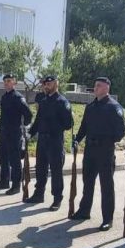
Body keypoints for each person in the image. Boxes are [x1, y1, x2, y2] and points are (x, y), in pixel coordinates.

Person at [70, 77, 125, 231]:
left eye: (98, 86)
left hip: (105, 151)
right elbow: (84, 128)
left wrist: (106, 141)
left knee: (106, 186)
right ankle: (84, 211)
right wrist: (77, 140)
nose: (95, 88)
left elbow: (120, 132)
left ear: (107, 88)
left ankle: (107, 219)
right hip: (90, 150)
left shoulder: (114, 107)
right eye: (95, 86)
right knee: (88, 183)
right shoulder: (91, 107)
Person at [25, 75, 74, 211]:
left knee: (56, 171)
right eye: (45, 84)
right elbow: (38, 120)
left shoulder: (62, 102)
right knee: (40, 168)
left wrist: (55, 126)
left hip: (55, 140)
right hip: (42, 140)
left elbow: (68, 124)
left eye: (49, 83)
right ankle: (39, 194)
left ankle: (57, 198)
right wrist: (30, 133)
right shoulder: (44, 101)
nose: (46, 86)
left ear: (56, 84)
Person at [0, 73, 32, 194]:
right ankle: (4, 181)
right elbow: (4, 114)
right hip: (4, 132)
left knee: (14, 160)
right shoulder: (4, 97)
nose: (6, 83)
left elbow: (28, 114)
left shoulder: (18, 97)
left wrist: (22, 126)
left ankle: (16, 185)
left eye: (9, 81)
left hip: (14, 133)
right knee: (3, 157)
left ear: (14, 82)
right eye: (5, 81)